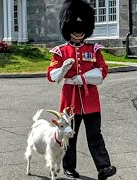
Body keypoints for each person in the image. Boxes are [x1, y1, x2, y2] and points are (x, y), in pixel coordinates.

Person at [46, 0, 117, 179]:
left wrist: (83, 78)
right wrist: (63, 70)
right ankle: (69, 168)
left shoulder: (93, 49)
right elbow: (51, 75)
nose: (78, 33)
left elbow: (102, 70)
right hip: (69, 101)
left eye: (81, 29)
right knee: (70, 138)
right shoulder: (61, 52)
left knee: (95, 135)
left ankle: (104, 167)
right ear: (67, 29)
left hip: (90, 100)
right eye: (74, 29)